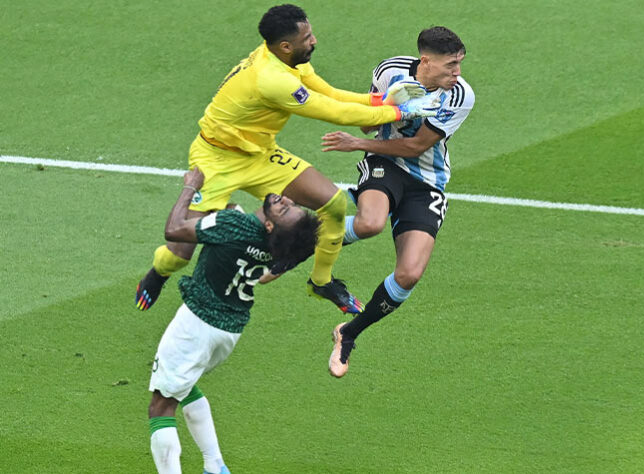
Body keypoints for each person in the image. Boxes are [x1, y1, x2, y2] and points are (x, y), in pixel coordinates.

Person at [135, 4, 440, 315]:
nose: (314, 40)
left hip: (260, 154)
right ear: (285, 46)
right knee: (180, 251)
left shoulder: (289, 61)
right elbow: (332, 112)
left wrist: (382, 99)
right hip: (215, 160)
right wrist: (399, 112)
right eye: (307, 37)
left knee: (333, 203)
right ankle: (158, 273)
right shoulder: (271, 79)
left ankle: (320, 281)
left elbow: (329, 93)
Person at [320, 26, 474, 377]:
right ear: (426, 61)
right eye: (451, 65)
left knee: (409, 274)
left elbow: (416, 146)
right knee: (370, 222)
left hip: (427, 182)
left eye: (460, 63)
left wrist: (358, 144)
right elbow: (368, 126)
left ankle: (348, 334)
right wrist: (385, 107)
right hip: (385, 165)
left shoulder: (460, 95)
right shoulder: (390, 71)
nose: (458, 73)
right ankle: (298, 240)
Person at [147, 167, 320, 474]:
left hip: (196, 324)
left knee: (161, 406)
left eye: (284, 210)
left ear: (269, 225)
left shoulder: (232, 227)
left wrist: (191, 187)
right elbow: (251, 241)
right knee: (186, 386)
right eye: (291, 205)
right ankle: (215, 467)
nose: (286, 200)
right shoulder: (279, 246)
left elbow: (174, 230)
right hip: (229, 331)